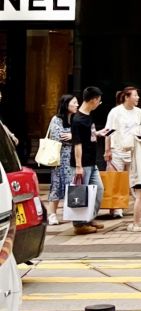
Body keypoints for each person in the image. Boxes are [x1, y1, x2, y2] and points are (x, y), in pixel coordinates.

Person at [105, 86, 141, 219]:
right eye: (135, 95)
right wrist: (107, 150)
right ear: (127, 97)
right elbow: (109, 131)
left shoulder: (139, 112)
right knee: (117, 179)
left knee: (138, 179)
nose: (138, 98)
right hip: (117, 150)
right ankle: (117, 207)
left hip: (134, 150)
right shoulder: (115, 112)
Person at [70, 86, 106, 235]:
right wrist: (78, 165)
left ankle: (89, 218)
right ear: (93, 100)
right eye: (99, 100)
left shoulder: (88, 116)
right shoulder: (77, 119)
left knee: (98, 190)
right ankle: (79, 224)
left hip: (91, 162)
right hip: (82, 164)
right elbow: (77, 144)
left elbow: (87, 137)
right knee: (80, 193)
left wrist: (97, 133)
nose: (99, 103)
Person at [44, 94, 78, 225]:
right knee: (57, 185)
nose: (77, 105)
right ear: (66, 104)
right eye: (74, 103)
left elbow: (82, 136)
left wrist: (72, 136)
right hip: (59, 158)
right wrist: (73, 137)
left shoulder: (76, 119)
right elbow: (58, 137)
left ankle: (72, 213)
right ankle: (52, 214)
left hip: (74, 157)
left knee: (74, 185)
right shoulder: (56, 120)